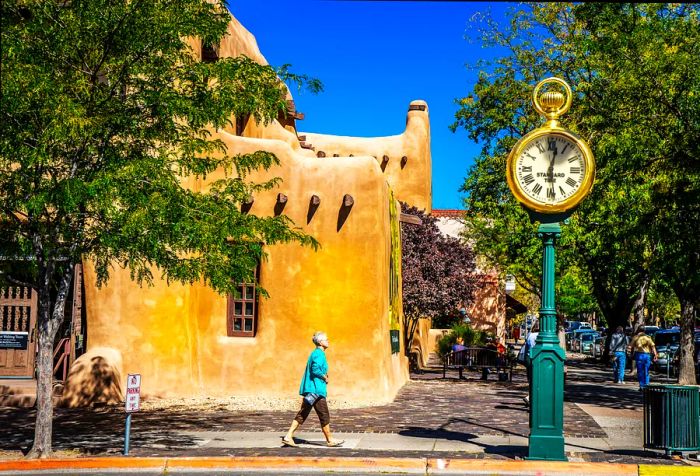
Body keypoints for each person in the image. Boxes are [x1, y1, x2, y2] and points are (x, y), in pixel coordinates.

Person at [282, 332, 344, 447]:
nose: (328, 341)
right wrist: (324, 377)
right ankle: (330, 440)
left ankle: (288, 436)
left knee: (303, 413)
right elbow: (315, 369)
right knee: (324, 415)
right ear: (320, 342)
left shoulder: (315, 353)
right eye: (326, 339)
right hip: (316, 391)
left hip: (312, 390)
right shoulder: (319, 354)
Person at [522, 322, 539, 406]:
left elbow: (526, 347)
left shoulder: (530, 335)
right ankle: (531, 398)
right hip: (536, 359)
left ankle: (530, 397)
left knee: (531, 380)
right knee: (538, 379)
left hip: (528, 358)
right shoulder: (540, 336)